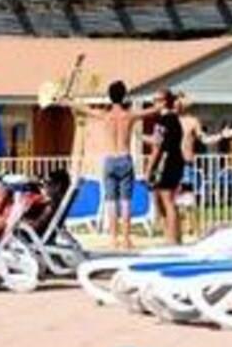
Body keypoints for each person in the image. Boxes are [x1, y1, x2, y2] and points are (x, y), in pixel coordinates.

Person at [70, 79, 149, 251]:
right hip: (125, 158)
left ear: (109, 96)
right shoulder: (129, 115)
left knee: (111, 201)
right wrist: (165, 105)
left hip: (110, 160)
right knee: (126, 201)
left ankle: (113, 239)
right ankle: (126, 239)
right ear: (124, 96)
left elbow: (83, 109)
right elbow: (150, 111)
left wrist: (66, 101)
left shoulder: (105, 116)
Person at [142, 89, 186, 245]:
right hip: (176, 159)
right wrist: (140, 136)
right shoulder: (174, 120)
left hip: (166, 161)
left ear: (164, 102)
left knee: (166, 200)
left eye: (156, 100)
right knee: (164, 200)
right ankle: (173, 236)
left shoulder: (164, 121)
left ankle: (172, 239)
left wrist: (148, 170)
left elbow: (157, 146)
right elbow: (159, 140)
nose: (154, 103)